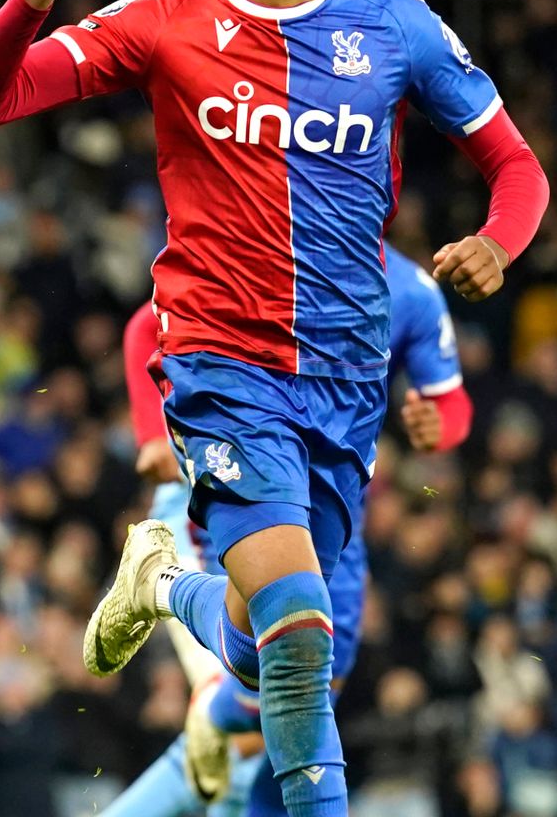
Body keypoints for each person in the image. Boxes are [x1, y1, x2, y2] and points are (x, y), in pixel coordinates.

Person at [0, 0, 547, 817]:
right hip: (223, 367)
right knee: (300, 638)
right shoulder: (166, 18)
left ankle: (160, 581)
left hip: (345, 385)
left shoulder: (393, 22)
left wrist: (497, 241)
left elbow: (516, 166)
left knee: (273, 647)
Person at [109, 249, 474, 817]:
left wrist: (439, 427)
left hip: (331, 517)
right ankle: (169, 602)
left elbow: (451, 402)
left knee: (304, 692)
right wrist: (150, 432)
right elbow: (145, 324)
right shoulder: (271, 243)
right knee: (266, 704)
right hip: (226, 486)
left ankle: (214, 709)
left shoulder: (411, 294)